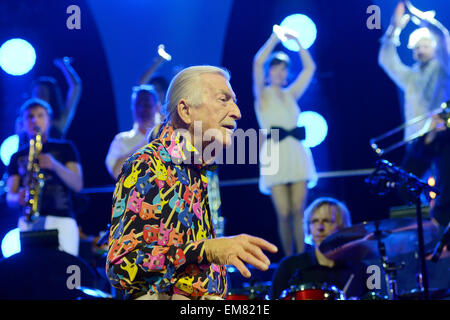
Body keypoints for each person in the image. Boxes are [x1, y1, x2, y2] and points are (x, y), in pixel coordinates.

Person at [105, 65, 278, 300]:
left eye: (234, 101)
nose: (237, 112)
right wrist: (207, 249)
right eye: (223, 99)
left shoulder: (197, 169)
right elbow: (120, 266)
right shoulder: (148, 163)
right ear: (186, 111)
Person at [253, 27, 318, 256]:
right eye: (276, 69)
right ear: (270, 72)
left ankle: (302, 257)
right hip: (275, 154)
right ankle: (289, 260)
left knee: (298, 210)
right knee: (283, 213)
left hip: (296, 152)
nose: (280, 74)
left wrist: (298, 42)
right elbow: (257, 63)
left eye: (283, 70)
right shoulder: (262, 95)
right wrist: (275, 38)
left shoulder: (291, 94)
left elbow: (310, 68)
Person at [378, 2, 450, 185]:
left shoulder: (443, 68)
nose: (420, 50)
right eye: (416, 47)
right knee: (408, 188)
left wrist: (416, 15)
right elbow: (386, 60)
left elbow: (442, 36)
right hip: (417, 139)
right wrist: (394, 28)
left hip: (442, 136)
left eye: (425, 45)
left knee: (444, 186)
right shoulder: (411, 77)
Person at [6, 98, 84, 257]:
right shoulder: (16, 156)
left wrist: (55, 165)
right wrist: (17, 198)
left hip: (62, 219)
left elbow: (78, 184)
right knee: (34, 275)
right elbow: (10, 196)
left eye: (40, 115)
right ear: (23, 122)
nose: (35, 120)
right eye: (30, 116)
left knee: (67, 273)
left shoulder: (65, 148)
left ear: (49, 120)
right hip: (29, 222)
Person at [270, 197, 368, 300]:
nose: (319, 227)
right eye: (314, 221)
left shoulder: (359, 269)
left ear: (342, 227)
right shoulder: (289, 266)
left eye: (327, 221)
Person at [105, 85, 161, 180]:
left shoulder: (167, 137)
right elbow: (116, 173)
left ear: (157, 108)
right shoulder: (120, 140)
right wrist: (146, 141)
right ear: (132, 107)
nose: (142, 109)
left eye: (147, 105)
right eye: (138, 104)